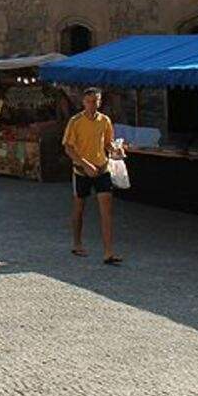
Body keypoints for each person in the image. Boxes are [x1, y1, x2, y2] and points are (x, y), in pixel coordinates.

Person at [63, 87, 124, 265]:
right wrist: (85, 164)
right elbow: (68, 148)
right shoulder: (75, 121)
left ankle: (108, 252)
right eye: (89, 101)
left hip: (102, 169)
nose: (93, 105)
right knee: (79, 208)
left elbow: (108, 143)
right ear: (83, 102)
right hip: (81, 171)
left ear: (100, 102)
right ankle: (77, 243)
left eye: (96, 101)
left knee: (106, 211)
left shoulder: (105, 120)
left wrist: (116, 150)